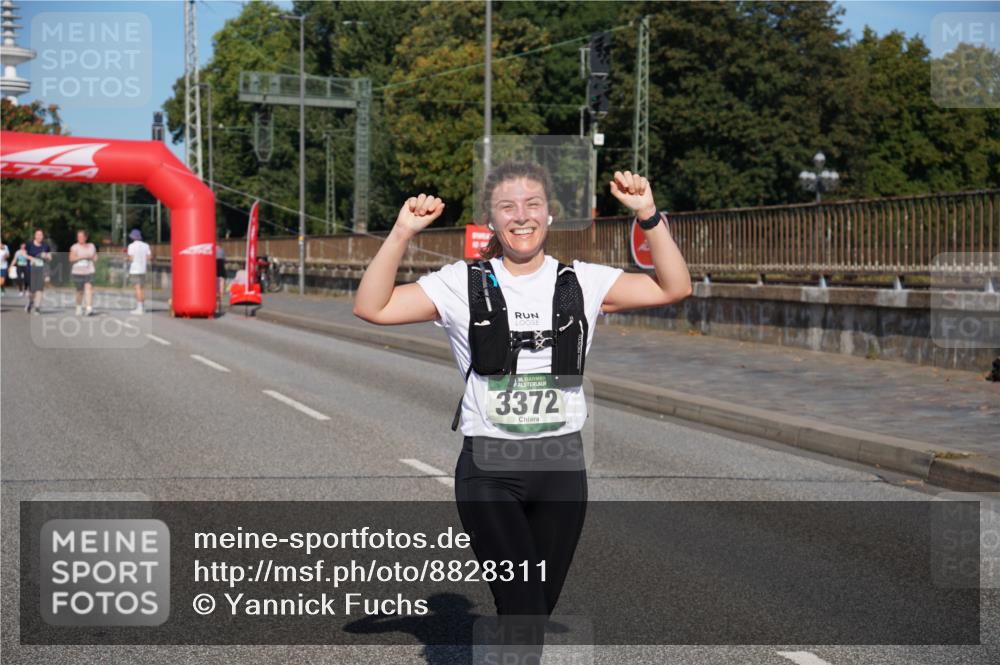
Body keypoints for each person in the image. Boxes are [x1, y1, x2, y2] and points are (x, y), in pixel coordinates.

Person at [354, 163, 691, 654]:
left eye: (532, 204)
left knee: (532, 613)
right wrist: (403, 230)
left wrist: (647, 214)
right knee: (524, 607)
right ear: (490, 222)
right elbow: (372, 307)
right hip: (490, 469)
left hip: (560, 468)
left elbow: (674, 287)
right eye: (507, 207)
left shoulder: (584, 281)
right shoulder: (460, 284)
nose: (522, 216)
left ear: (550, 215)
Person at [69, 229, 98, 316]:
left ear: (85, 237)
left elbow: (95, 257)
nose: (80, 238)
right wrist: (82, 257)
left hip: (89, 270)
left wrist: (94, 258)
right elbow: (71, 259)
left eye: (81, 236)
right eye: (78, 237)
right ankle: (78, 307)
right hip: (77, 272)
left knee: (89, 288)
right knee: (79, 291)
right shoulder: (74, 247)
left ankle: (89, 308)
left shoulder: (91, 246)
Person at [24, 229, 52, 314]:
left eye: (41, 235)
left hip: (41, 270)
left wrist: (46, 256)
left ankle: (37, 307)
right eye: (37, 235)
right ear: (35, 236)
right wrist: (32, 258)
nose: (39, 236)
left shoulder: (45, 246)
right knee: (32, 291)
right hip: (30, 269)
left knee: (39, 289)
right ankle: (31, 302)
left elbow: (50, 258)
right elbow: (24, 254)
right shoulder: (29, 244)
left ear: (43, 236)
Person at [126, 228, 151, 315]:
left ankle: (139, 308)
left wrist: (126, 258)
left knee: (137, 288)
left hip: (135, 269)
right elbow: (149, 257)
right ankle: (142, 306)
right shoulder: (146, 245)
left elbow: (131, 258)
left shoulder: (131, 246)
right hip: (143, 269)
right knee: (141, 288)